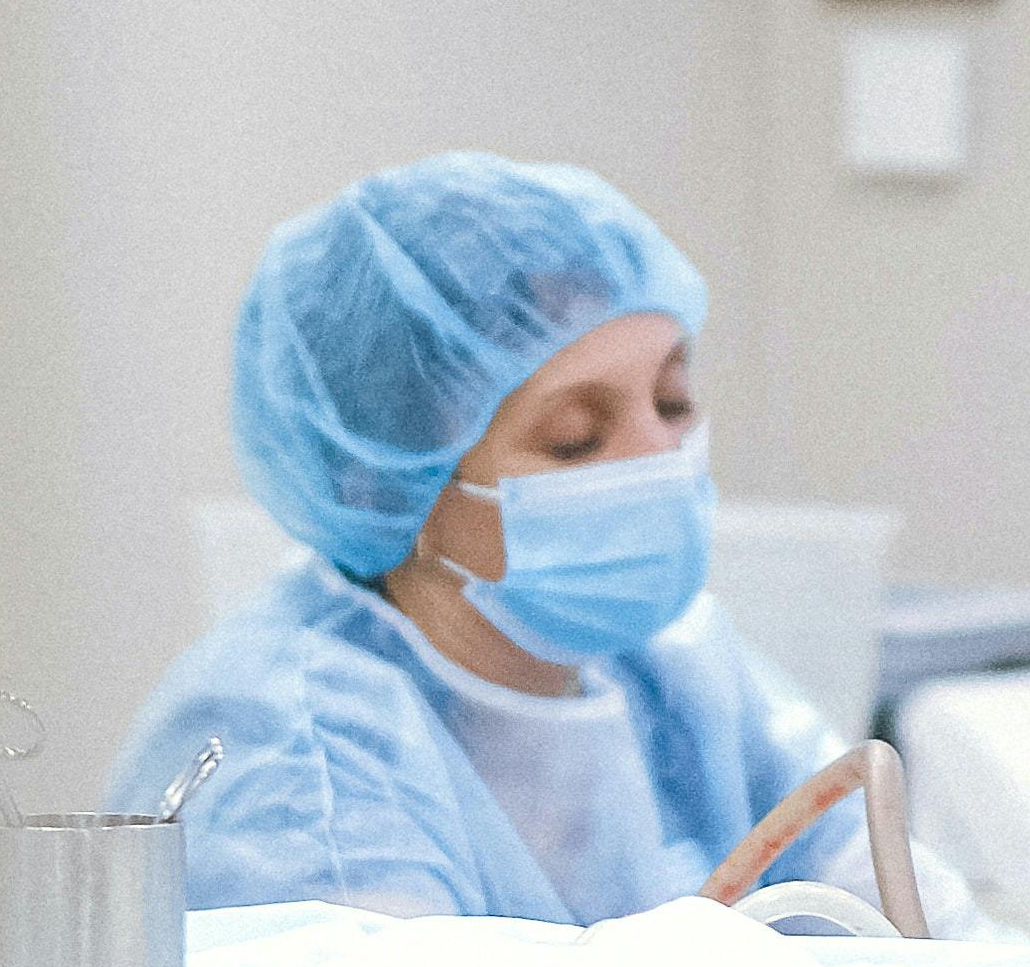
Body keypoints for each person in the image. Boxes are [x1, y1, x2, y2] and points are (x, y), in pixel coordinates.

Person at [108, 149, 938, 926]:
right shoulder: (300, 753)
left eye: (673, 401)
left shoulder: (676, 672)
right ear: (393, 484)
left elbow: (933, 938)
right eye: (575, 435)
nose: (660, 458)